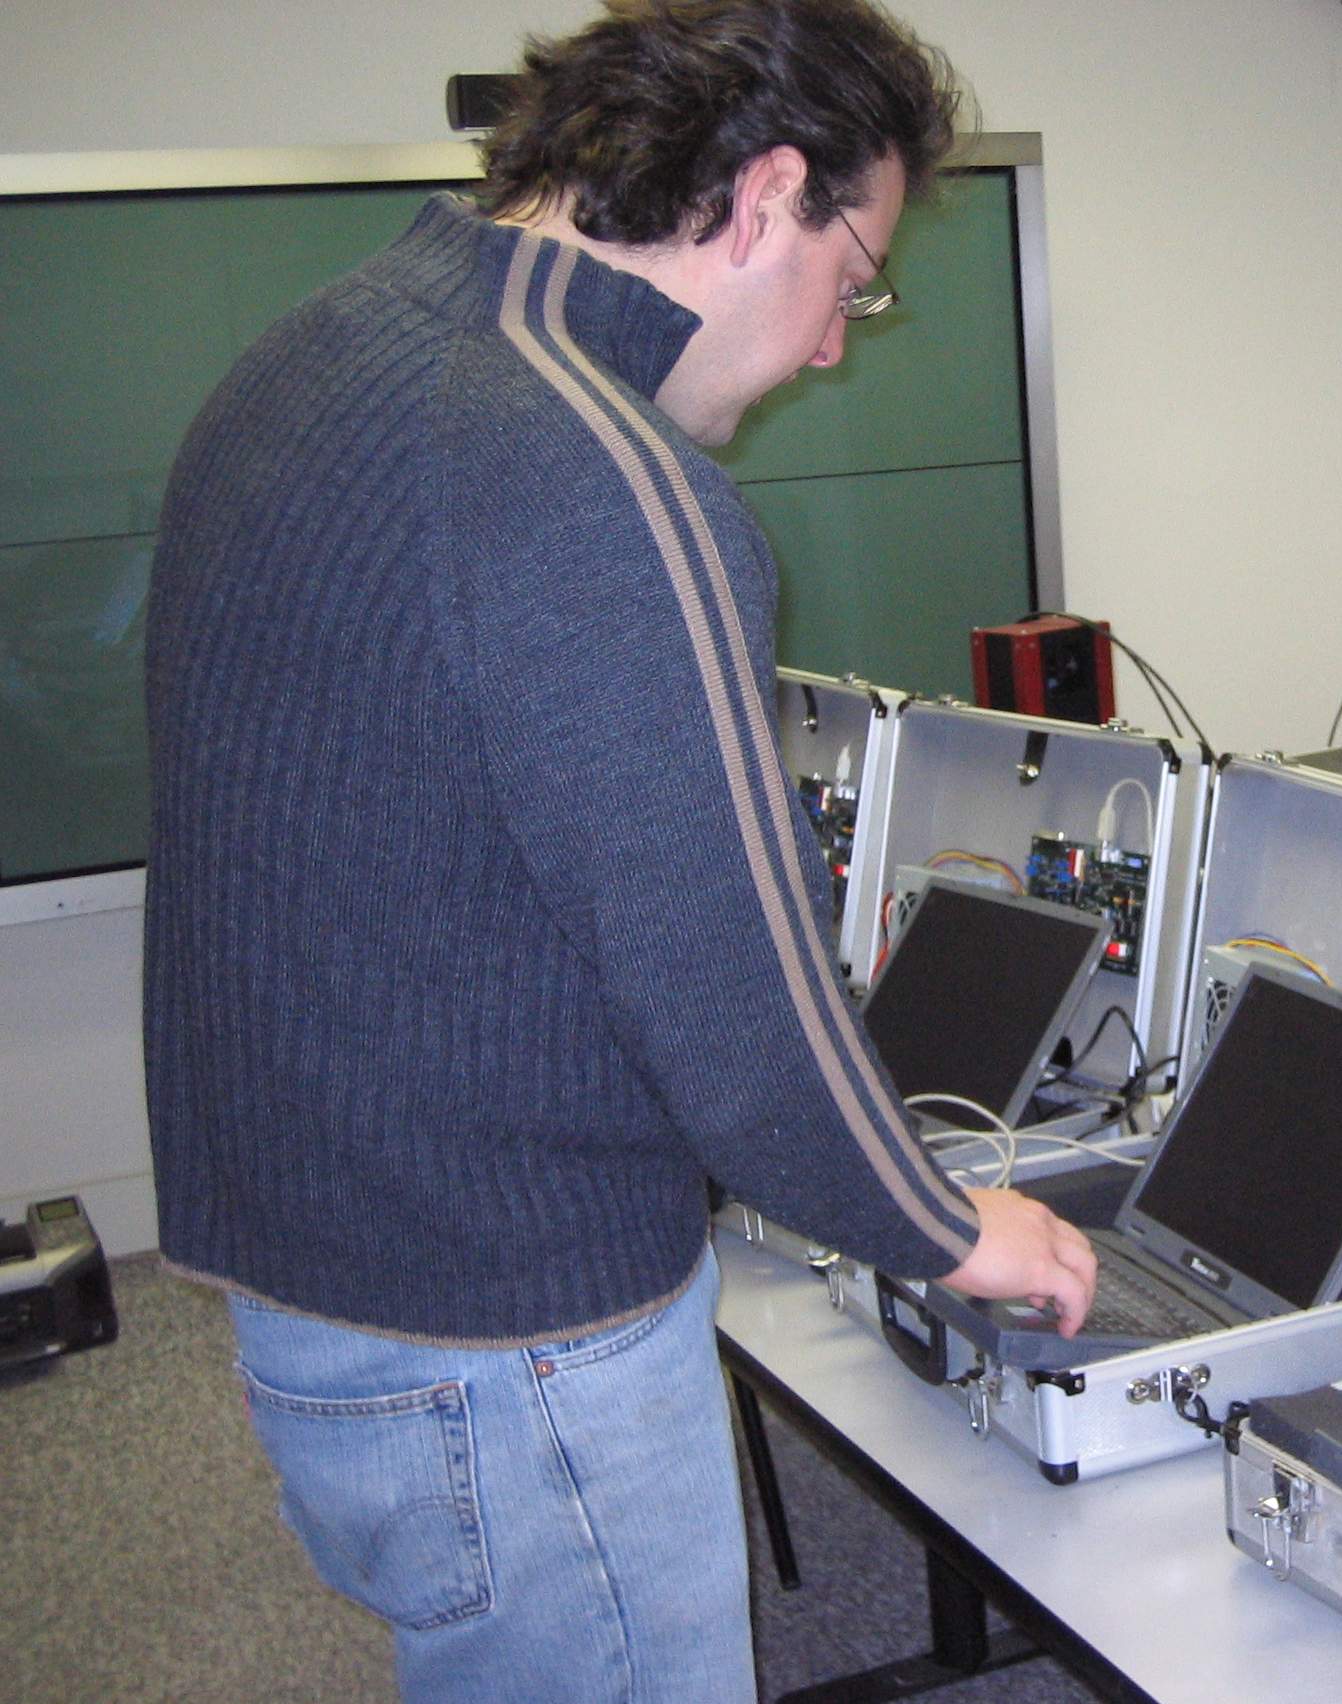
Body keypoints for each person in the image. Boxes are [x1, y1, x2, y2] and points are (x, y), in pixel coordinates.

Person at [141, 1, 1097, 1697]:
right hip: (515, 1338)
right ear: (767, 194)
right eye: (854, 281)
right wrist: (946, 1226)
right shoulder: (589, 466)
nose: (833, 349)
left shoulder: (322, 353)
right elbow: (730, 988)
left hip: (323, 1294)